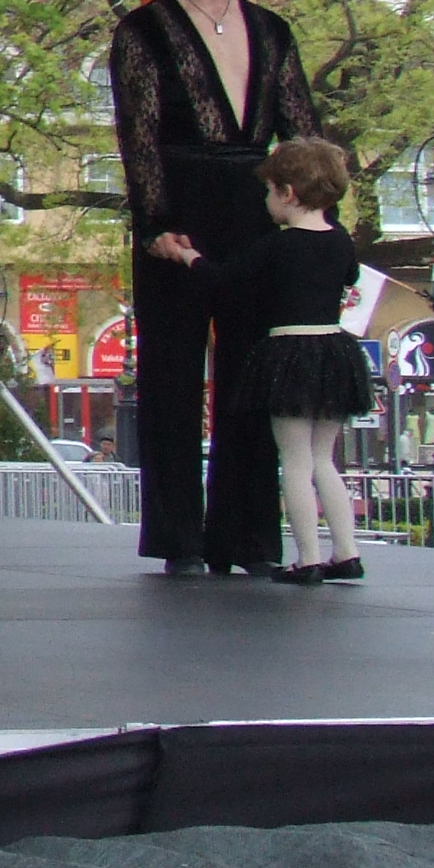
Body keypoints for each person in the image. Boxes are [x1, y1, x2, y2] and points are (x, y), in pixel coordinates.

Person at [112, 0, 321, 577]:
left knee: (253, 372)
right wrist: (155, 222)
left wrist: (314, 217)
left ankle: (247, 535)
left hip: (256, 207)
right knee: (171, 375)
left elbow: (303, 130)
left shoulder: (272, 30)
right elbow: (137, 135)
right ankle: (179, 537)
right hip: (178, 205)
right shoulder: (142, 31)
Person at [166, 137, 371, 586]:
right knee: (324, 459)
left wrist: (189, 256)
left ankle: (308, 558)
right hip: (333, 350)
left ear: (288, 194)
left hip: (290, 352)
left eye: (269, 192)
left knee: (294, 460)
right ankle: (347, 551)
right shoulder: (341, 242)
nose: (266, 201)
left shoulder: (277, 245)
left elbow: (226, 280)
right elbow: (351, 276)